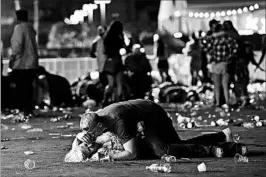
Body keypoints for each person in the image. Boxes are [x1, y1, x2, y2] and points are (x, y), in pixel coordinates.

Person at [78, 99, 247, 161]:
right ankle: (222, 136)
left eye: (93, 132)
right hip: (145, 113)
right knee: (177, 145)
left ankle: (213, 149)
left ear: (99, 126)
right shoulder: (96, 117)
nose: (92, 136)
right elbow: (82, 137)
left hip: (153, 116)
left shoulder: (117, 122)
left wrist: (108, 156)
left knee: (162, 150)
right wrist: (84, 138)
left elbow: (131, 153)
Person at [8, 9, 39, 114]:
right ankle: (28, 109)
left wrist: (12, 59)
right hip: (32, 64)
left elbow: (17, 46)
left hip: (22, 64)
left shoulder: (19, 28)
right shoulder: (30, 29)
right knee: (28, 87)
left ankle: (22, 109)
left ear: (18, 17)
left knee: (21, 87)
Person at [205, 24, 238, 109]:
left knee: (217, 85)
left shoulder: (213, 40)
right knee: (225, 85)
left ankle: (218, 103)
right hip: (225, 64)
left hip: (216, 64)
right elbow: (235, 49)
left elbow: (207, 49)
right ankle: (227, 102)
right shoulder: (228, 39)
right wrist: (229, 57)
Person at [102, 21, 125, 105]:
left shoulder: (107, 38)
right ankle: (118, 102)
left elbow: (104, 51)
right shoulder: (119, 37)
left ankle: (105, 99)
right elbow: (124, 47)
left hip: (109, 62)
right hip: (118, 61)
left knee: (110, 84)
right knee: (119, 83)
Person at [234, 42, 261, 107]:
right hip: (239, 71)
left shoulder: (249, 55)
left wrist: (259, 67)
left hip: (244, 71)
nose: (249, 50)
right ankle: (240, 100)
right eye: (248, 49)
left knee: (244, 85)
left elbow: (253, 61)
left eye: (250, 49)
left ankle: (244, 100)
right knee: (239, 86)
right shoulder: (240, 55)